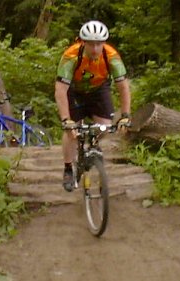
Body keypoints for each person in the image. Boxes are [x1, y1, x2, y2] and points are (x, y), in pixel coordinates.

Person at [55, 20, 131, 192]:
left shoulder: (111, 56)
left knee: (105, 127)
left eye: (99, 44)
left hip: (99, 89)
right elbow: (60, 90)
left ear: (104, 43)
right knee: (71, 132)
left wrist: (126, 115)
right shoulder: (71, 56)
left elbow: (123, 87)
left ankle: (93, 145)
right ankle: (68, 168)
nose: (95, 49)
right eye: (91, 44)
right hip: (74, 90)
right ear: (83, 42)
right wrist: (66, 119)